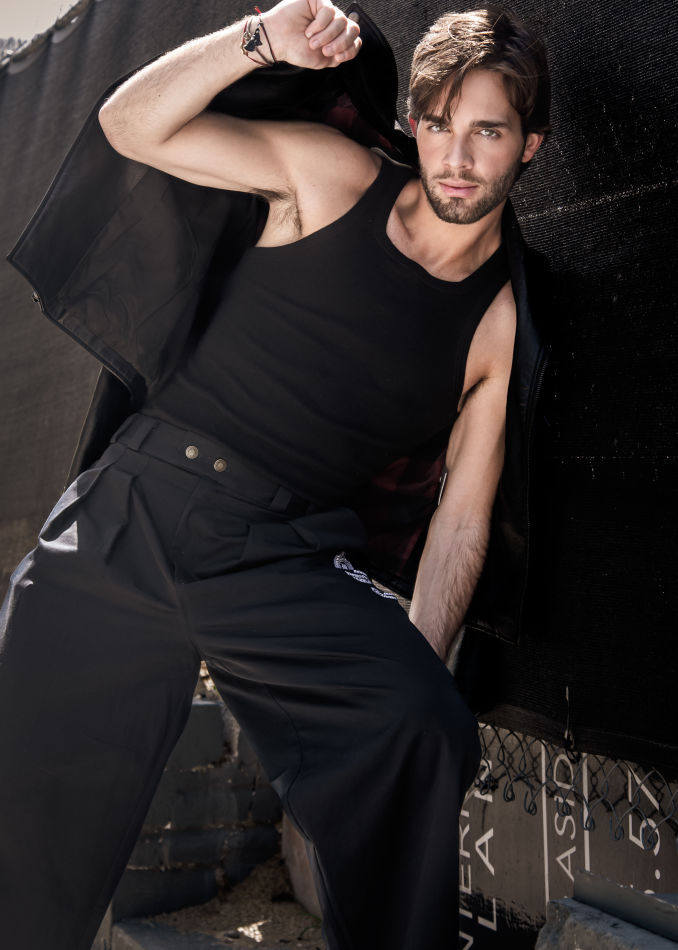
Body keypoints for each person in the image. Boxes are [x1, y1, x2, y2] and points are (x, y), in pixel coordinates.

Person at [0, 2, 551, 948]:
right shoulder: (333, 176)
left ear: (529, 146)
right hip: (138, 506)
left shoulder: (501, 321)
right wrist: (256, 40)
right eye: (438, 124)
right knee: (24, 822)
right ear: (412, 122)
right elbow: (130, 127)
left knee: (422, 725)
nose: (457, 157)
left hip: (281, 557)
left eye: (488, 132)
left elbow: (461, 520)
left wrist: (401, 681)